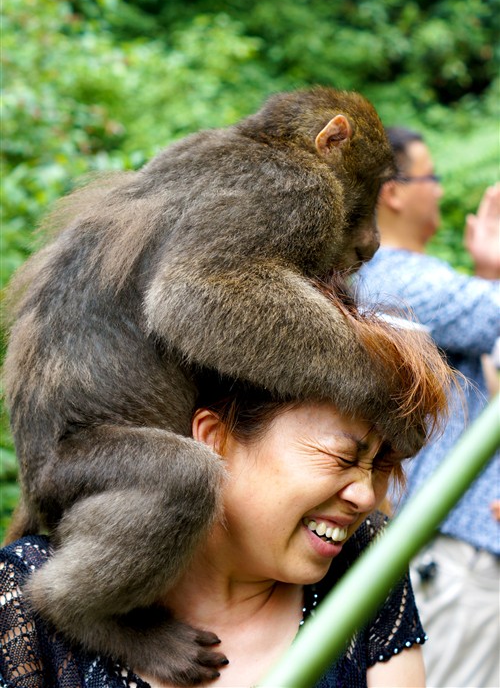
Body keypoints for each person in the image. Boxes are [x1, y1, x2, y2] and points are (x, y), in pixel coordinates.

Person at [0, 291, 453, 688]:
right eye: (342, 458)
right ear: (214, 438)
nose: (366, 497)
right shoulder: (24, 591)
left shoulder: (366, 562)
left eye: (380, 466)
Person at [356, 127, 500, 688]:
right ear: (393, 191)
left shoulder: (396, 282)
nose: (439, 190)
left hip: (450, 546)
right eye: (432, 176)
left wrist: (487, 271)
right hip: (455, 551)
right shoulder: (398, 278)